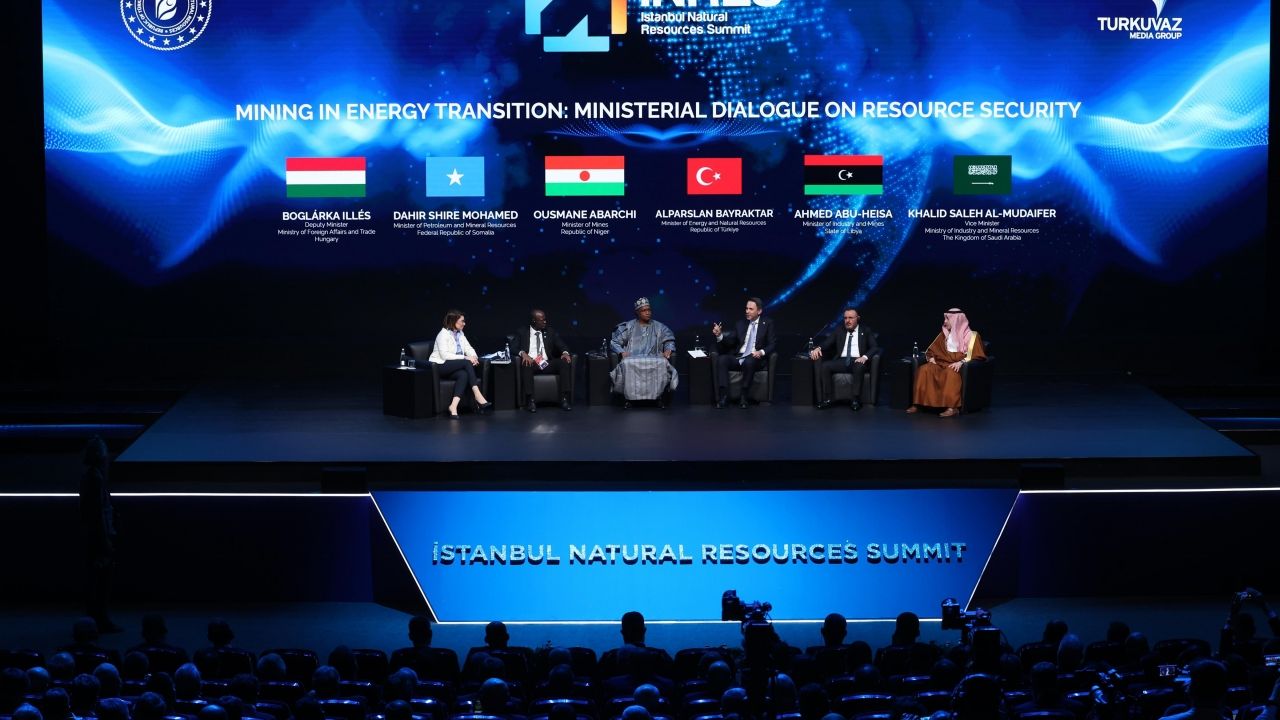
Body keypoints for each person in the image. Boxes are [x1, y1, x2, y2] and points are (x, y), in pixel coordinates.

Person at [908, 308, 987, 418]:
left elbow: (976, 354)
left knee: (950, 373)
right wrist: (931, 358)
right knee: (924, 369)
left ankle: (952, 408)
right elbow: (932, 350)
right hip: (941, 363)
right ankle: (918, 404)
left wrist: (961, 362)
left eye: (947, 319)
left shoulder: (972, 336)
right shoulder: (944, 334)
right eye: (944, 319)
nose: (944, 322)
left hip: (955, 365)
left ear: (956, 320)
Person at [79, 436, 119, 633]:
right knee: (102, 578)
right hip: (98, 536)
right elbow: (97, 513)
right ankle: (100, 619)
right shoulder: (96, 478)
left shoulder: (90, 476)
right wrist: (105, 539)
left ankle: (94, 618)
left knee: (95, 578)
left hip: (92, 535)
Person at [609, 298, 678, 408]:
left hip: (655, 357)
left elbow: (669, 340)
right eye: (644, 310)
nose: (647, 312)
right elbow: (614, 342)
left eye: (649, 310)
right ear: (637, 312)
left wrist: (668, 349)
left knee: (663, 363)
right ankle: (629, 399)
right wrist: (621, 352)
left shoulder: (659, 327)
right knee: (626, 363)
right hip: (632, 358)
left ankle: (658, 398)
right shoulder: (628, 327)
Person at [712, 297, 777, 409]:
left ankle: (744, 396)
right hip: (739, 357)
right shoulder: (740, 324)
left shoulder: (767, 323)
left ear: (759, 311)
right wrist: (719, 335)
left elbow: (773, 344)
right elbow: (731, 341)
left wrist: (761, 352)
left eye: (751, 309)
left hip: (755, 358)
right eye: (746, 308)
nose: (747, 311)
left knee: (749, 361)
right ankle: (724, 396)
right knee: (722, 359)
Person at [809, 308, 880, 411]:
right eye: (845, 318)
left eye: (850, 318)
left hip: (857, 360)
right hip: (842, 360)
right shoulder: (839, 330)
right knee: (825, 366)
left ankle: (855, 399)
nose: (847, 320)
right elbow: (827, 343)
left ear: (857, 318)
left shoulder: (865, 330)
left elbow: (875, 347)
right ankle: (827, 399)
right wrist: (818, 348)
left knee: (859, 366)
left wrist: (864, 357)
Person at [429, 309, 494, 419]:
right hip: (439, 365)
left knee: (463, 375)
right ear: (453, 321)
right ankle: (478, 395)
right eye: (462, 321)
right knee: (466, 363)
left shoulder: (460, 334)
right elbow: (445, 355)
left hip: (454, 365)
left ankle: (453, 406)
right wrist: (465, 357)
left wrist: (474, 357)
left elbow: (468, 348)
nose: (464, 324)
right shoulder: (443, 335)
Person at [513, 309, 573, 413]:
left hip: (546, 362)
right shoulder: (522, 332)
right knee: (526, 364)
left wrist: (565, 352)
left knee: (563, 363)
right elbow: (513, 348)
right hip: (532, 362)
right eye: (542, 320)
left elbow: (562, 345)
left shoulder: (550, 331)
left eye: (545, 319)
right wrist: (523, 353)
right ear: (534, 320)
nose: (545, 322)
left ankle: (564, 399)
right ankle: (531, 401)